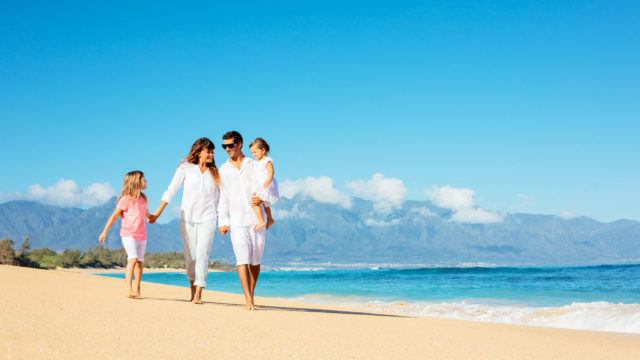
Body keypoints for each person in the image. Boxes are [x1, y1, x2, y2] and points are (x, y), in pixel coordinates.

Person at [149, 138, 220, 304]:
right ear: (199, 151)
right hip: (187, 218)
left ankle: (199, 293)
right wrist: (157, 213)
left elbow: (219, 199)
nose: (211, 154)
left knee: (203, 254)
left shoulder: (215, 173)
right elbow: (170, 191)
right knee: (191, 257)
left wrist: (223, 220)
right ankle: (192, 288)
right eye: (208, 151)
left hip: (208, 218)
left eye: (212, 151)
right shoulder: (186, 169)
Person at [217, 131, 279, 310]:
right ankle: (247, 299)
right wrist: (223, 221)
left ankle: (252, 293)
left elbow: (267, 184)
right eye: (224, 146)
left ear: (240, 144)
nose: (227, 149)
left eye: (230, 145)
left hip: (257, 218)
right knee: (242, 259)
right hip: (237, 221)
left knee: (255, 261)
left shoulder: (254, 164)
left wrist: (263, 200)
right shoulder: (223, 170)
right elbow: (223, 198)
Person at [99, 170, 151, 298]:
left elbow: (147, 213)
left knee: (139, 262)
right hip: (128, 234)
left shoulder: (143, 199)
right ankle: (128, 289)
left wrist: (151, 217)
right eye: (144, 179)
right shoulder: (125, 198)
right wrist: (104, 231)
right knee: (132, 259)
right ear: (136, 182)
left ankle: (137, 289)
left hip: (142, 235)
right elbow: (114, 215)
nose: (146, 181)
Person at [249, 137, 279, 231]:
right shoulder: (256, 162)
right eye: (252, 153)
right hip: (261, 185)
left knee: (254, 203)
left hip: (265, 185)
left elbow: (271, 171)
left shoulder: (267, 160)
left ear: (263, 150)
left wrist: (269, 181)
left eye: (255, 152)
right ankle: (270, 219)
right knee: (265, 205)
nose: (253, 155)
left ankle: (261, 221)